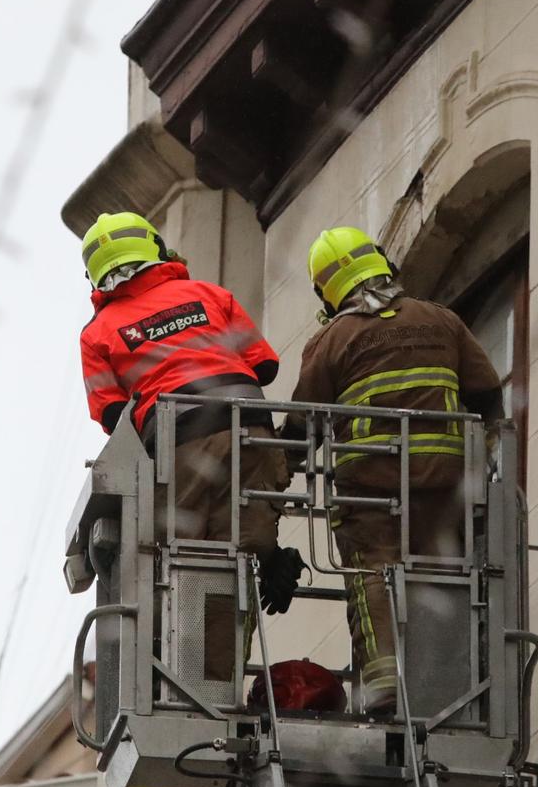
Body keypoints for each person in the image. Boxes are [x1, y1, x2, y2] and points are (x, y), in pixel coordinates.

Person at [286, 226, 503, 713]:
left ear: (327, 289)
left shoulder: (332, 339)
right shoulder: (441, 320)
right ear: (381, 262)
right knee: (446, 576)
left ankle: (383, 684)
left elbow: (304, 424)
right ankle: (451, 686)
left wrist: (273, 478)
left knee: (372, 576)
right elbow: (487, 393)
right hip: (445, 486)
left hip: (373, 492)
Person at [77, 211, 300, 684]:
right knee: (239, 545)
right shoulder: (209, 294)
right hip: (251, 426)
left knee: (178, 560)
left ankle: (193, 688)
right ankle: (266, 552)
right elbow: (264, 367)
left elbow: (115, 419)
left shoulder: (98, 333)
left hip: (181, 440)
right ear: (155, 249)